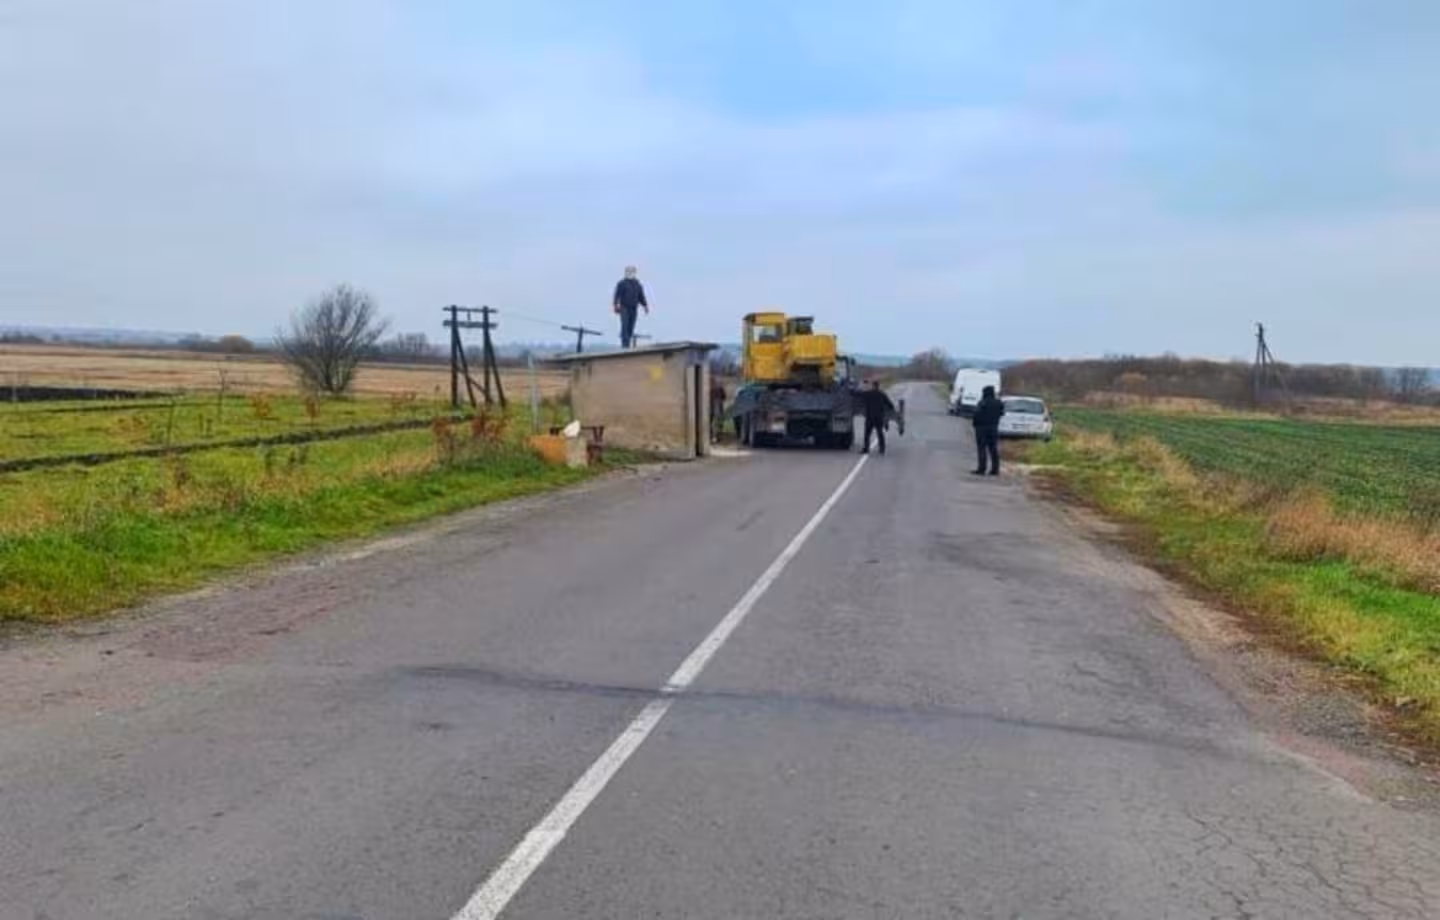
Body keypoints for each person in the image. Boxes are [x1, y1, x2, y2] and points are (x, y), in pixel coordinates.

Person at [612, 266, 649, 348]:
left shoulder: (638, 284)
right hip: (624, 307)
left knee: (631, 327)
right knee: (624, 325)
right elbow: (617, 296)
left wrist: (645, 306)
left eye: (631, 271)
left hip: (634, 308)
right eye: (628, 271)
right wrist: (616, 305)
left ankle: (627, 343)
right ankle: (625, 345)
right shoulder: (621, 283)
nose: (630, 273)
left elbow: (641, 296)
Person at [972, 385, 1005, 475]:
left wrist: (975, 424)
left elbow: (976, 414)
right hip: (993, 428)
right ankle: (995, 469)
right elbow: (1002, 413)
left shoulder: (982, 402)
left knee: (982, 449)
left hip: (981, 428)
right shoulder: (998, 403)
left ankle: (982, 468)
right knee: (993, 449)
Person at [857, 380, 897, 455]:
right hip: (878, 416)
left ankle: (866, 448)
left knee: (867, 434)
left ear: (873, 386)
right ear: (878, 386)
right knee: (880, 433)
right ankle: (882, 449)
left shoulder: (868, 394)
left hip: (870, 417)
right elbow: (890, 404)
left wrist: (861, 386)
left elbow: (858, 395)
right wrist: (890, 412)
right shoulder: (882, 394)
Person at [709, 378, 728, 442]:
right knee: (717, 422)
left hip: (712, 407)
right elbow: (724, 397)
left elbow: (724, 397)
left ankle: (714, 436)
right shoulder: (719, 388)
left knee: (713, 422)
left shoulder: (709, 389)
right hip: (717, 407)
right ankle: (716, 436)